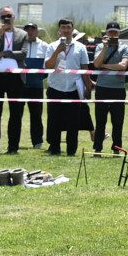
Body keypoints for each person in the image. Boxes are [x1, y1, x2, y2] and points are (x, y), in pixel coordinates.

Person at [44, 18, 90, 157]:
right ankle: (55, 148)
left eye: (68, 27)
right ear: (59, 30)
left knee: (73, 123)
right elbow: (48, 66)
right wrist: (57, 51)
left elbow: (84, 68)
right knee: (54, 121)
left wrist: (88, 87)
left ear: (72, 29)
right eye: (63, 27)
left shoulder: (80, 47)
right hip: (55, 88)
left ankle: (71, 150)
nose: (66, 30)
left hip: (73, 89)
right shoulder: (52, 46)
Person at [0, 7, 28, 154]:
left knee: (16, 113)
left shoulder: (22, 35)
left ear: (14, 17)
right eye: (3, 16)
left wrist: (5, 53)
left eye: (9, 16)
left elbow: (23, 54)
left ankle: (13, 147)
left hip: (15, 77)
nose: (6, 19)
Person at [92, 20, 128, 156]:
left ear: (119, 34)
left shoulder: (124, 48)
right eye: (110, 32)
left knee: (117, 120)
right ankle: (97, 147)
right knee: (100, 120)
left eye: (115, 32)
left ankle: (117, 147)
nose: (113, 35)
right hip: (102, 88)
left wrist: (105, 66)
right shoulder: (99, 47)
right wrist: (104, 47)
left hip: (118, 89)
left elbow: (123, 66)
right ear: (106, 33)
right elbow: (96, 64)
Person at [22, 21, 50, 149]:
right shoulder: (20, 44)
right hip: (20, 85)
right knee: (17, 114)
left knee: (36, 115)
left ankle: (37, 141)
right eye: (27, 29)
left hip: (36, 86)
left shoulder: (44, 46)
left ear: (37, 31)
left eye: (32, 29)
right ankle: (15, 140)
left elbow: (47, 67)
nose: (30, 32)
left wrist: (39, 78)